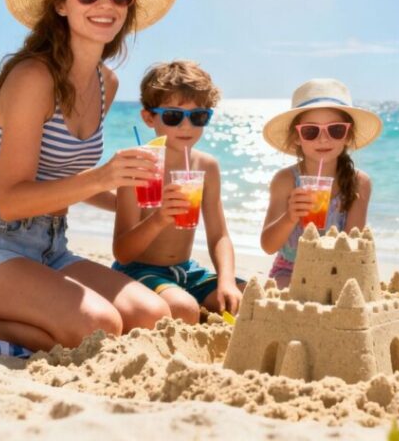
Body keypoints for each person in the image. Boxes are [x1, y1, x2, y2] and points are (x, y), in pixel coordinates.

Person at [0, 0, 179, 350]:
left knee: (155, 317)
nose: (106, 4)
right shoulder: (33, 78)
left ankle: (7, 316)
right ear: (61, 5)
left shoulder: (107, 83)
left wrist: (127, 196)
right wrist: (104, 177)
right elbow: (12, 200)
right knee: (97, 327)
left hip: (51, 244)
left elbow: (66, 176)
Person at [112, 61, 242, 322]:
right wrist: (159, 218)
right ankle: (198, 315)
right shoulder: (136, 167)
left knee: (249, 298)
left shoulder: (207, 166)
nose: (187, 126)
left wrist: (226, 281)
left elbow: (219, 235)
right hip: (138, 270)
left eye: (198, 117)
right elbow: (122, 252)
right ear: (149, 118)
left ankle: (206, 313)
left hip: (186, 269)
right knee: (184, 309)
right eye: (173, 116)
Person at [260, 79, 382, 288]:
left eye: (335, 130)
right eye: (310, 131)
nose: (323, 139)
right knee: (287, 299)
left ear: (347, 135)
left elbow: (351, 247)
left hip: (338, 270)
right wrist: (290, 217)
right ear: (297, 137)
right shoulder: (286, 180)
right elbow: (268, 246)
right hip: (291, 269)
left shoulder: (359, 182)